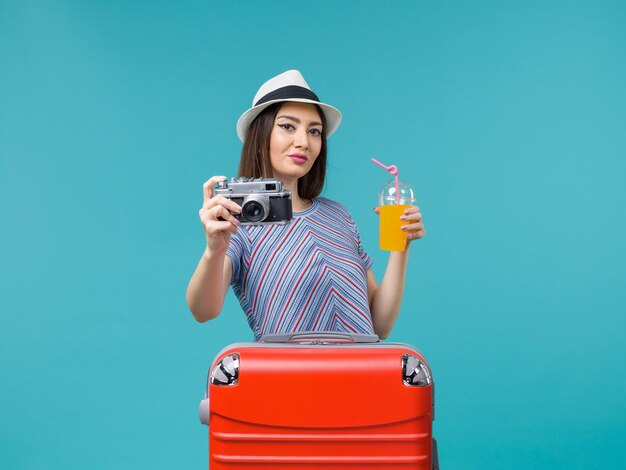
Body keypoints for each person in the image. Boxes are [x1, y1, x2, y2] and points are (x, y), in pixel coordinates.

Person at [186, 70, 425, 341]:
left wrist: (400, 247)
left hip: (360, 377)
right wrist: (213, 250)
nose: (303, 142)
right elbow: (203, 310)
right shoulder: (239, 221)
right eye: (288, 126)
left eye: (314, 131)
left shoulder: (338, 216)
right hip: (287, 379)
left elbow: (378, 326)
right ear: (261, 133)